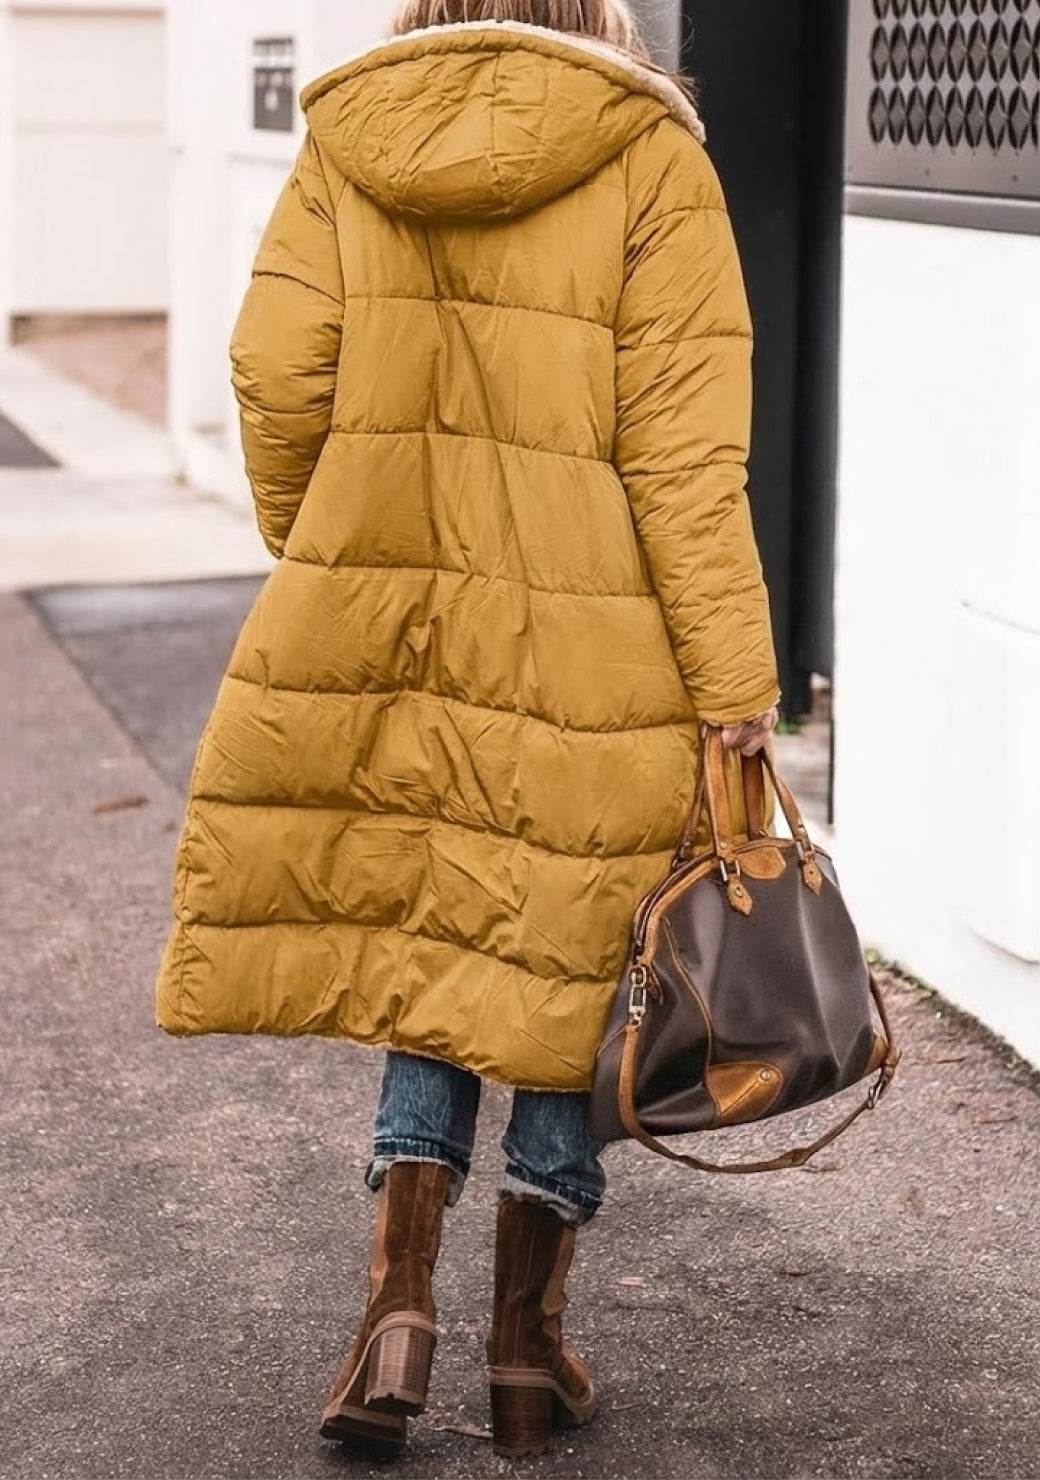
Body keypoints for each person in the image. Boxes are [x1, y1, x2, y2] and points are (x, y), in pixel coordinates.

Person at [156, 0, 779, 1460]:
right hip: (597, 637)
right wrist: (734, 681)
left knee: (430, 943)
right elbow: (686, 457)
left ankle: (394, 1309)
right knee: (567, 958)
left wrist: (329, 542)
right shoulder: (648, 155)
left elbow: (272, 372)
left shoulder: (348, 142)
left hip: (395, 622)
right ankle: (523, 1341)